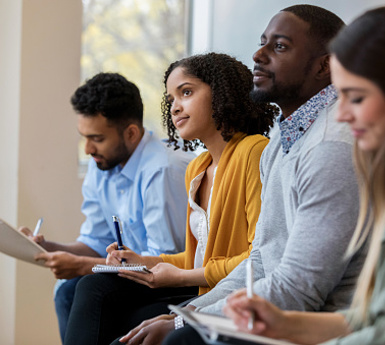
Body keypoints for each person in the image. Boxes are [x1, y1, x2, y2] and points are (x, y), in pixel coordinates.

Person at [161, 5, 368, 345]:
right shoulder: (280, 143)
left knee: (177, 340)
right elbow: (260, 257)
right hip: (280, 307)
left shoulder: (330, 145)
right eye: (262, 43)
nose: (258, 54)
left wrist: (187, 325)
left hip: (322, 323)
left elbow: (299, 290)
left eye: (280, 46)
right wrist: (187, 313)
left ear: (323, 65)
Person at [63, 52, 275, 345]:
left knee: (116, 323)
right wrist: (143, 261)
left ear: (222, 92)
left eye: (186, 92)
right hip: (198, 286)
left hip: (224, 291)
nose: (175, 107)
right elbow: (194, 258)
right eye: (171, 99)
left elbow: (258, 258)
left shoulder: (253, 151)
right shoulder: (198, 168)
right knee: (92, 286)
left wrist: (179, 278)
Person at [222, 6, 385, 345]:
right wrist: (285, 324)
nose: (344, 114)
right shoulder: (280, 141)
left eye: (357, 97)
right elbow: (381, 314)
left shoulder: (333, 147)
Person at [20, 72, 193, 342]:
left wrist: (81, 266)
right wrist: (48, 248)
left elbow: (164, 264)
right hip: (139, 274)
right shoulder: (102, 165)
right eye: (84, 137)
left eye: (97, 138)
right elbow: (95, 242)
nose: (88, 149)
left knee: (85, 287)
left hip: (175, 278)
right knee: (67, 289)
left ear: (131, 133)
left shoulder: (162, 170)